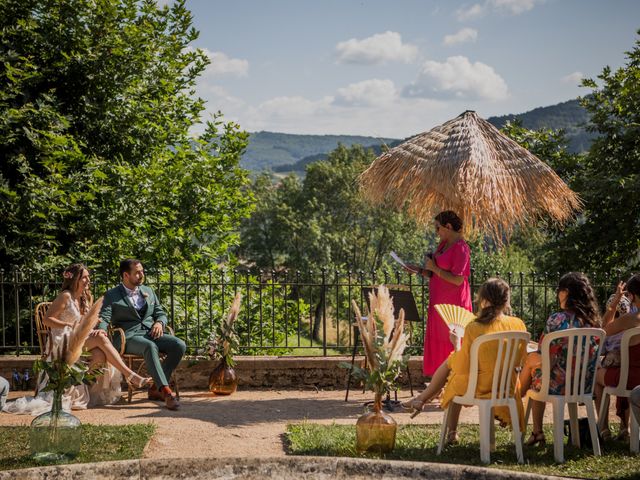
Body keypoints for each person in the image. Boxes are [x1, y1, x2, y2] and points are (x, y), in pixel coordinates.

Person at [4, 263, 150, 415]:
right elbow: (47, 320)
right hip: (63, 341)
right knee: (101, 337)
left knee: (100, 354)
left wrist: (93, 323)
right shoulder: (65, 296)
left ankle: (83, 394)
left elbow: (85, 323)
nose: (88, 280)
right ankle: (130, 375)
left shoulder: (85, 297)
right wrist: (70, 324)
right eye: (84, 277)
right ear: (75, 279)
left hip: (80, 339)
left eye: (88, 277)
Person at [401, 278, 527, 444]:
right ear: (506, 300)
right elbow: (521, 359)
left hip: (480, 386)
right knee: (453, 366)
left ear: (483, 300)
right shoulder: (518, 324)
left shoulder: (474, 327)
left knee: (453, 377)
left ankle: (446, 427)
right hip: (506, 386)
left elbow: (462, 366)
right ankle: (422, 400)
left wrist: (456, 343)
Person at [519, 272, 602, 447]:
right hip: (583, 384)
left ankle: (536, 429)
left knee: (533, 365)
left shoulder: (556, 320)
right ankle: (532, 424)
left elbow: (544, 354)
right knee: (535, 367)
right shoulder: (594, 323)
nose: (558, 295)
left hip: (557, 384)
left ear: (566, 293)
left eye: (559, 291)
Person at [99, 259, 185, 411]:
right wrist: (102, 329)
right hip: (128, 337)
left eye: (142, 271)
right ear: (126, 275)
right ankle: (165, 392)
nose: (141, 275)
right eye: (137, 272)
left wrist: (159, 323)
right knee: (150, 346)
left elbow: (161, 313)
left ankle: (154, 387)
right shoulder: (112, 295)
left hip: (151, 333)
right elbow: (104, 317)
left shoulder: (148, 291)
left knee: (179, 345)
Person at [405, 210, 472, 376]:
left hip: (454, 304)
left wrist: (434, 268)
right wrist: (419, 270)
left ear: (448, 227)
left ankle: (453, 382)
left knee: (452, 341)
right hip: (438, 302)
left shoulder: (461, 249)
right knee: (438, 340)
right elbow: (434, 273)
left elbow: (458, 280)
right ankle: (438, 383)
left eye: (438, 228)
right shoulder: (443, 244)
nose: (436, 232)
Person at [595, 275, 640, 441]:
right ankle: (623, 429)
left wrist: (613, 305)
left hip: (631, 379)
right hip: (634, 376)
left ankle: (604, 428)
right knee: (622, 369)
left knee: (596, 375)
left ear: (632, 296)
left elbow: (602, 332)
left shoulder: (630, 319)